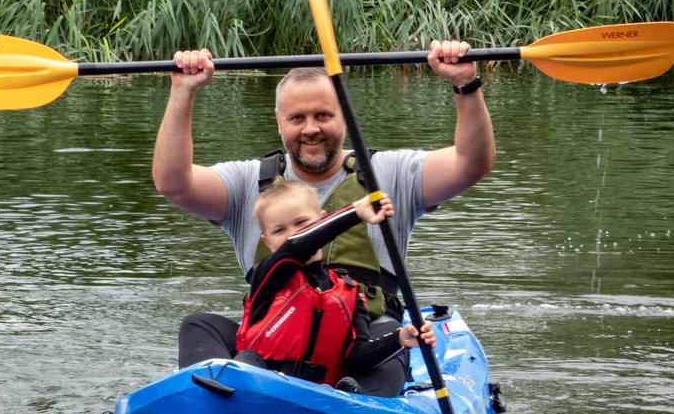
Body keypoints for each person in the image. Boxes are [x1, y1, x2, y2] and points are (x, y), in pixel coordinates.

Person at [153, 40, 494, 372]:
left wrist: (465, 83)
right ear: (278, 121)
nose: (311, 129)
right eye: (297, 118)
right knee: (200, 325)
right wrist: (183, 90)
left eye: (323, 115)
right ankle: (217, 386)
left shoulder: (389, 172)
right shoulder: (247, 182)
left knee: (387, 351)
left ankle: (352, 401)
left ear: (344, 115)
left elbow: (470, 164)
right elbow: (174, 184)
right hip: (277, 338)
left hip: (363, 339)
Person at [235, 181, 435, 396]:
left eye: (302, 222)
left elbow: (356, 356)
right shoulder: (268, 275)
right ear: (267, 242)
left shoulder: (350, 292)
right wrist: (355, 212)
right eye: (279, 230)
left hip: (326, 396)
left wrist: (399, 340)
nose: (292, 233)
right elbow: (295, 247)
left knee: (390, 356)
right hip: (262, 389)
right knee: (240, 355)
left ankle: (356, 402)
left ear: (322, 220)